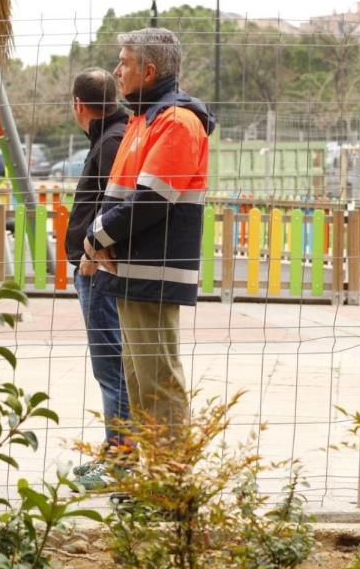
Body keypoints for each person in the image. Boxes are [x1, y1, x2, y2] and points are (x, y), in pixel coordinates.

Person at [84, 28, 215, 460]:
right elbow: (119, 196)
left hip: (152, 272)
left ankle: (171, 489)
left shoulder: (175, 122)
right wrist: (99, 243)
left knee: (158, 381)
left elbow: (152, 200)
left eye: (123, 63)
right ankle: (153, 484)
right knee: (139, 382)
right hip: (129, 270)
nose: (117, 72)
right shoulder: (144, 119)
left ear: (149, 69)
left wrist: (96, 238)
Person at [63, 68, 130, 490]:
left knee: (111, 368)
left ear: (78, 105)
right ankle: (117, 450)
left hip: (100, 271)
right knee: (113, 366)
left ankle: (120, 459)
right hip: (99, 268)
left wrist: (91, 251)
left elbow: (115, 205)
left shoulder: (110, 142)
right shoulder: (117, 135)